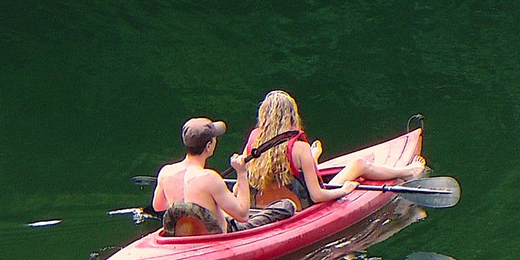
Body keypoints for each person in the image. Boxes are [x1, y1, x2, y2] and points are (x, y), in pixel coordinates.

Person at [244, 90, 425, 210]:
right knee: (359, 164)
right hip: (300, 208)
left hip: (262, 206)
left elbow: (274, 172)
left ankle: (313, 159)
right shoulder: (299, 148)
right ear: (292, 115)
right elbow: (316, 195)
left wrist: (311, 157)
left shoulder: (254, 138)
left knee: (307, 166)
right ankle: (407, 172)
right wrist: (344, 190)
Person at [152, 117, 295, 235]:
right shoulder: (210, 178)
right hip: (218, 236)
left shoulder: (166, 172)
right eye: (214, 139)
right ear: (208, 146)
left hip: (182, 236)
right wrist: (241, 173)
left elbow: (158, 206)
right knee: (286, 206)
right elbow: (243, 215)